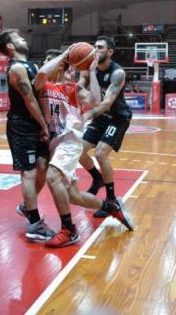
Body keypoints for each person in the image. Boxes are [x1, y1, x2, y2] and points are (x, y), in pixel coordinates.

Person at [35, 48, 134, 247]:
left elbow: (96, 100)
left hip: (70, 142)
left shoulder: (74, 89)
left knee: (53, 177)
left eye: (50, 61)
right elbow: (42, 72)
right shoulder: (42, 85)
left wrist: (92, 71)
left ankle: (69, 230)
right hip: (54, 144)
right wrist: (65, 55)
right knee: (74, 196)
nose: (46, 65)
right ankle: (112, 207)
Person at [0, 29, 53, 242]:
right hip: (21, 125)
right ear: (10, 46)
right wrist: (44, 125)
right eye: (17, 38)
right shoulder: (16, 68)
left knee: (43, 167)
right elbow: (29, 100)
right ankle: (35, 224)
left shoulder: (32, 66)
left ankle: (27, 207)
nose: (23, 39)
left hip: (36, 123)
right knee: (28, 173)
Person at [79, 36, 133, 218]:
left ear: (110, 52)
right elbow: (83, 86)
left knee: (101, 153)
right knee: (78, 150)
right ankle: (97, 178)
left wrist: (86, 116)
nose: (96, 50)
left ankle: (111, 200)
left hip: (117, 117)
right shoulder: (90, 68)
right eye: (94, 46)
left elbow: (106, 103)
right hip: (100, 117)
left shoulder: (118, 73)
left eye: (100, 47)